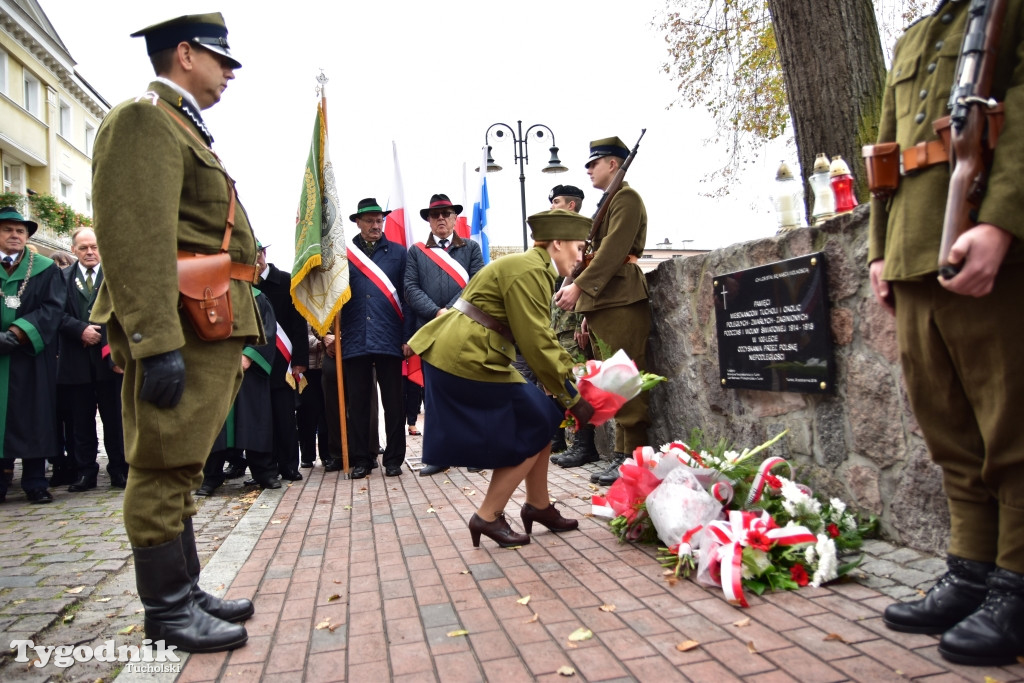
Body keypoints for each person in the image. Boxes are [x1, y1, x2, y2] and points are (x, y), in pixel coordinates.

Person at [90, 13, 261, 653]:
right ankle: (166, 613)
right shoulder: (144, 119)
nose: (230, 72)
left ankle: (184, 589)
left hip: (205, 318)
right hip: (182, 323)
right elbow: (134, 237)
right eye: (222, 59)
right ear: (185, 54)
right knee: (162, 463)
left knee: (182, 461)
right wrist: (155, 341)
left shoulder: (181, 124)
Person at [868, 1, 1024, 667]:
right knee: (950, 430)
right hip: (913, 247)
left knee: (1011, 427)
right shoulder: (914, 36)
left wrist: (1002, 218)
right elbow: (884, 150)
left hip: (985, 238)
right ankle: (970, 573)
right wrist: (880, 248)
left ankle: (1015, 585)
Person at [409, 209, 595, 547]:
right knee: (538, 420)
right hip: (464, 358)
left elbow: (540, 338)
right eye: (579, 248)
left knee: (544, 416)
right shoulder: (529, 271)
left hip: (471, 353)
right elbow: (536, 342)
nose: (582, 257)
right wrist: (573, 397)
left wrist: (566, 384)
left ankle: (538, 506)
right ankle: (488, 515)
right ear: (557, 243)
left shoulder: (532, 268)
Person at [554, 137, 650, 486]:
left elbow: (612, 250)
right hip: (603, 302)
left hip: (622, 298)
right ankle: (623, 456)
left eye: (595, 163)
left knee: (628, 382)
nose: (589, 169)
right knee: (615, 384)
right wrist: (584, 312)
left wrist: (578, 287)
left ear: (614, 164)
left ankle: (632, 458)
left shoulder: (626, 198)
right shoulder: (610, 202)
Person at [323, 198, 407, 479]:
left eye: (379, 220)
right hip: (356, 337)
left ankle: (394, 458)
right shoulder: (343, 258)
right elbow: (334, 299)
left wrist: (408, 338)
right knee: (357, 404)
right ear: (357, 223)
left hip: (390, 338)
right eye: (369, 221)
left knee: (394, 403)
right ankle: (362, 458)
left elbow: (406, 297)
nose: (375, 225)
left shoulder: (398, 253)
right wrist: (331, 333)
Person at [404, 193, 484, 476]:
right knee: (435, 396)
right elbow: (410, 288)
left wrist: (450, 311)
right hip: (431, 331)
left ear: (454, 218)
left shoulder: (471, 248)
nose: (441, 219)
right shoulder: (415, 252)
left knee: (469, 393)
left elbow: (478, 284)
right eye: (435, 215)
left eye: (446, 214)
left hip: (463, 329)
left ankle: (475, 452)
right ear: (428, 220)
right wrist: (438, 314)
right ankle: (440, 455)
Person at [0, 206, 65, 504]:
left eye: (20, 231)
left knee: (34, 414)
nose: (15, 235)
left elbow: (53, 308)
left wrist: (18, 332)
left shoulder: (44, 267)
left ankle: (36, 481)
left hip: (30, 355)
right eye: (8, 230)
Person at [57, 227, 128, 491]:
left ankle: (119, 469)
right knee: (80, 420)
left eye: (94, 247)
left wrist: (107, 340)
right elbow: (54, 312)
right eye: (83, 247)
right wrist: (80, 330)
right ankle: (85, 471)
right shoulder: (62, 278)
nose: (90, 252)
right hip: (75, 360)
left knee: (115, 420)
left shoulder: (114, 277)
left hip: (110, 360)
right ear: (74, 250)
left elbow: (123, 313)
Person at [198, 288, 279, 495]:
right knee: (215, 424)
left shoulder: (257, 297)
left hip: (249, 372)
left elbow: (267, 331)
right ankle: (210, 476)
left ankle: (264, 472)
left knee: (253, 419)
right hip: (216, 370)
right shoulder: (207, 294)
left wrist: (249, 355)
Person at [545, 185, 602, 469]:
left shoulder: (585, 235)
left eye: (556, 201)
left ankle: (584, 446)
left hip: (575, 322)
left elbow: (593, 275)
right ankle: (558, 440)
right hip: (556, 323)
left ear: (571, 205)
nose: (551, 205)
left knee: (579, 384)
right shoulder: (556, 240)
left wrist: (586, 316)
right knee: (555, 381)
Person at [254, 242, 307, 483]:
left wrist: (299, 361)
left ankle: (289, 466)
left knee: (285, 418)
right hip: (255, 363)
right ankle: (266, 469)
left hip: (283, 363)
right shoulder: (243, 285)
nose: (254, 260)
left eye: (257, 254)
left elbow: (298, 323)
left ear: (264, 254)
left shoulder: (285, 280)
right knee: (260, 419)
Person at [298, 321, 329, 468]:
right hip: (308, 368)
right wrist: (318, 343)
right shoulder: (301, 304)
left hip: (326, 365)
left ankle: (327, 454)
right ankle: (307, 455)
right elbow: (298, 333)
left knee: (327, 412)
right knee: (307, 412)